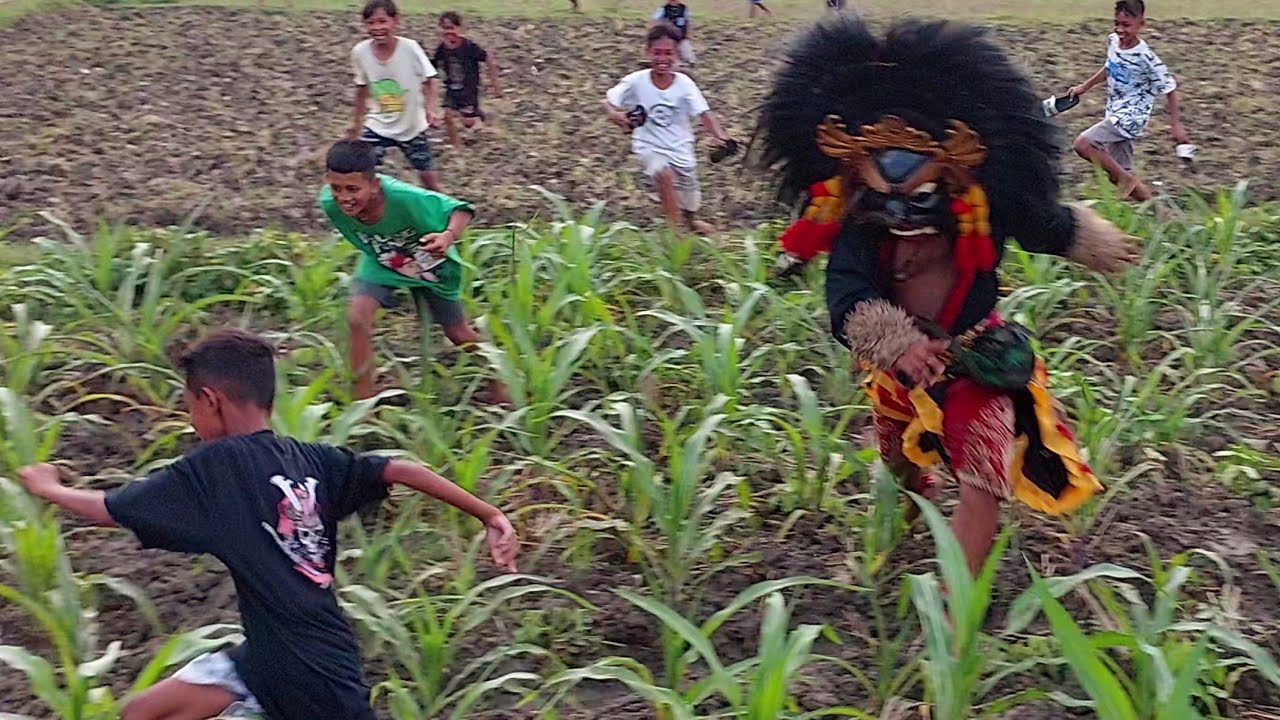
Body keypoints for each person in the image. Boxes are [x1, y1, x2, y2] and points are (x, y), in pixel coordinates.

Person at [754, 16, 1139, 575]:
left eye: (921, 196)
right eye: (882, 197)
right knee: (900, 461)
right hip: (899, 372)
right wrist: (896, 343)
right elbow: (848, 295)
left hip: (974, 358)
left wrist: (1082, 236)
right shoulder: (861, 230)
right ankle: (916, 513)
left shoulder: (985, 208)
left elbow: (1038, 221)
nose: (900, 214)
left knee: (984, 469)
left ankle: (955, 607)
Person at [16, 328, 519, 720]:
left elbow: (108, 509)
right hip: (270, 656)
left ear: (210, 399)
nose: (191, 419)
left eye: (190, 405)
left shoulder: (214, 468)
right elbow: (398, 469)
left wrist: (49, 489)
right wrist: (490, 513)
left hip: (309, 674)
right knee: (142, 712)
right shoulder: (310, 459)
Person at [320, 139, 512, 404]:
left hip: (429, 262)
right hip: (384, 259)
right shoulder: (329, 204)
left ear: (375, 185)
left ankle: (500, 383)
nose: (343, 198)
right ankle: (362, 403)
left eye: (352, 189)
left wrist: (446, 237)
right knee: (356, 318)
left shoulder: (403, 197)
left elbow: (461, 210)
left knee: (457, 332)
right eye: (336, 188)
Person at [604, 23, 733, 236]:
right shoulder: (636, 81)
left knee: (689, 196)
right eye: (657, 53)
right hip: (649, 145)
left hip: (681, 147)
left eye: (668, 53)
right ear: (647, 52)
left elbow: (704, 113)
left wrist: (721, 137)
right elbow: (608, 100)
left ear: (676, 54)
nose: (662, 59)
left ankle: (691, 221)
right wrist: (614, 114)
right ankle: (676, 235)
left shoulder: (684, 84)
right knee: (663, 175)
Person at [1067, 0, 1190, 201]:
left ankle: (1126, 179)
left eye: (1126, 25)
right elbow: (1110, 67)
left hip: (1132, 115)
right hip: (1114, 110)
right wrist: (1084, 87)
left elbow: (1170, 88)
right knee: (1119, 174)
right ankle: (1162, 216)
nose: (1120, 29)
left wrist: (1176, 125)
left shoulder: (1146, 58)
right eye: (1117, 23)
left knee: (1084, 144)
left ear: (1141, 24)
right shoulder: (1113, 41)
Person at [346, 0, 444, 191]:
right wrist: (356, 123)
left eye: (382, 21)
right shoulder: (360, 52)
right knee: (361, 171)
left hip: (411, 125)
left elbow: (431, 79)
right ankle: (369, 214)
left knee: (428, 178)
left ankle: (444, 213)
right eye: (371, 23)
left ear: (395, 21)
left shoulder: (410, 48)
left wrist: (431, 109)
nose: (377, 28)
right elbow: (362, 88)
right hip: (378, 123)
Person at [433, 11, 502, 148]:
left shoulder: (469, 46)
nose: (448, 32)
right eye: (445, 28)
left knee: (468, 123)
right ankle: (456, 147)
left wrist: (495, 85)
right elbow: (432, 65)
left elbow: (488, 59)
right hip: (452, 89)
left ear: (459, 29)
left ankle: (480, 114)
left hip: (468, 90)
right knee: (447, 115)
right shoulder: (442, 48)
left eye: (451, 28)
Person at [648, 0, 695, 68]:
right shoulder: (663, 9)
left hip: (681, 36)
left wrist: (688, 34)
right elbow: (655, 21)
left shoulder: (684, 8)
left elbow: (688, 21)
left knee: (688, 54)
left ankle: (687, 63)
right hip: (669, 36)